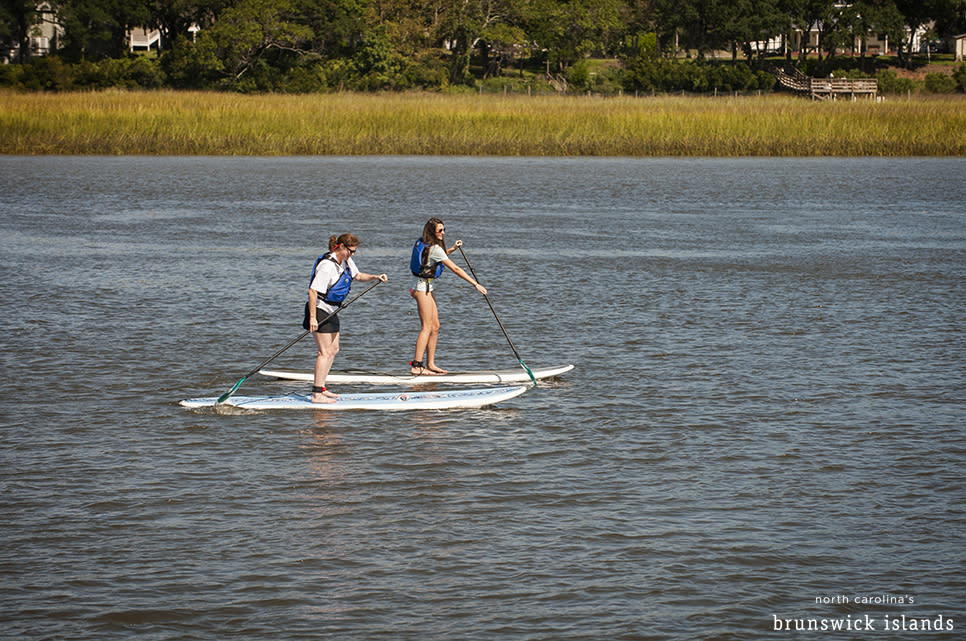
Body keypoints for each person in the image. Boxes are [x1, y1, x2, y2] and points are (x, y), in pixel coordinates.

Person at [304, 233, 387, 403]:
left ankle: (323, 388)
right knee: (324, 352)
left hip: (332, 310)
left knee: (334, 350)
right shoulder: (327, 266)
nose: (353, 254)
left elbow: (357, 276)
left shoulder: (346, 261)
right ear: (341, 247)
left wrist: (375, 277)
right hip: (319, 310)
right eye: (351, 251)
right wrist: (313, 318)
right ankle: (316, 394)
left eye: (354, 252)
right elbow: (312, 291)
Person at [409, 218, 486, 375]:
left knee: (435, 326)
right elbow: (456, 268)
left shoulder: (425, 243)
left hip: (425, 287)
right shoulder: (434, 248)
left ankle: (430, 364)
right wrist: (475, 284)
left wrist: (451, 249)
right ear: (432, 232)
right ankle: (416, 366)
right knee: (427, 327)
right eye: (440, 230)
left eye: (444, 230)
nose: (443, 233)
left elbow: (435, 258)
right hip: (421, 288)